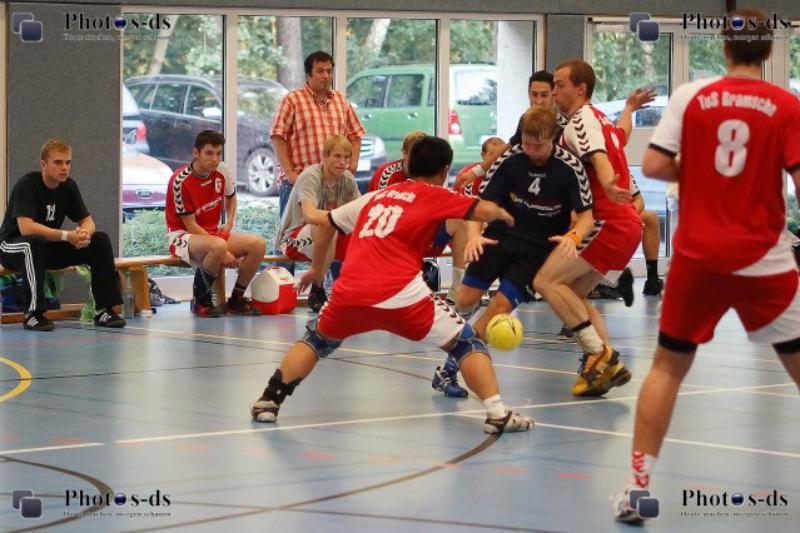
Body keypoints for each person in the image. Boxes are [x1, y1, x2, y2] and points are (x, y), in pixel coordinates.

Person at [614, 8, 800, 523]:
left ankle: (638, 488)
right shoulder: (787, 105)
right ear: (769, 50)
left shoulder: (691, 97)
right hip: (763, 259)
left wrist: (699, 169)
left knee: (667, 369)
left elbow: (654, 163)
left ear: (724, 47)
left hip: (697, 257)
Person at [249, 136, 533, 434]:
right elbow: (483, 211)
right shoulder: (435, 194)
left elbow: (327, 224)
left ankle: (269, 400)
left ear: (409, 164)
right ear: (444, 171)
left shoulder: (375, 197)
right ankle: (497, 414)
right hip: (402, 294)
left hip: (350, 292)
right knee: (466, 343)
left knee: (316, 340)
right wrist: (509, 215)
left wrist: (317, 270)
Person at [531, 60, 650, 397]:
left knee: (545, 281)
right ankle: (602, 364)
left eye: (560, 85)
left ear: (580, 89)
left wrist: (608, 183)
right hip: (625, 224)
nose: (554, 92)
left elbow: (598, 156)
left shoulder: (579, 121)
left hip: (607, 221)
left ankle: (601, 355)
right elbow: (621, 135)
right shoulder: (601, 119)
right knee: (573, 294)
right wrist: (629, 108)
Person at [451, 107, 593, 351]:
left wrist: (573, 236)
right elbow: (480, 205)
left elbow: (587, 218)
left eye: (537, 146)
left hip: (537, 249)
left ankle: (455, 361)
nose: (530, 150)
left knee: (498, 309)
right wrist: (474, 235)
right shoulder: (509, 159)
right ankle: (458, 333)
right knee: (464, 299)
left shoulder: (570, 166)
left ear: (552, 138)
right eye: (526, 143)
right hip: (499, 237)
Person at [0, 139, 126, 331]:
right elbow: (26, 228)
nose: (64, 167)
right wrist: (67, 236)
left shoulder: (68, 186)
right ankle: (33, 314)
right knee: (32, 243)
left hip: (45, 249)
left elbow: (88, 221)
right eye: (58, 162)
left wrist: (84, 234)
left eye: (68, 162)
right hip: (12, 247)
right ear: (44, 164)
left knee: (99, 240)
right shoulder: (27, 185)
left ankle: (104, 310)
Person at [165, 130, 267, 317]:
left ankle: (235, 301)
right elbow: (191, 226)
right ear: (196, 153)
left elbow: (231, 197)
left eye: (219, 154)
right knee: (218, 246)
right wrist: (224, 250)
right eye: (209, 153)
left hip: (212, 235)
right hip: (182, 237)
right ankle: (201, 302)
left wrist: (228, 223)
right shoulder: (180, 181)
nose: (215, 159)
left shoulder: (222, 170)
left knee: (258, 244)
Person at [271, 51, 365, 218]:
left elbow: (355, 135)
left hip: (334, 184)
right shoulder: (292, 100)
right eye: (320, 71)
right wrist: (289, 173)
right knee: (294, 233)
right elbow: (278, 137)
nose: (326, 76)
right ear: (308, 75)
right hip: (299, 182)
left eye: (329, 71)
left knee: (331, 231)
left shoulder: (341, 101)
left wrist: (352, 165)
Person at [276, 135, 361, 311]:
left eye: (346, 157)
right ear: (325, 156)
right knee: (329, 225)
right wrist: (340, 218)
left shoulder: (347, 178)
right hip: (293, 238)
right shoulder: (310, 176)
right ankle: (318, 286)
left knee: (363, 238)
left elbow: (360, 212)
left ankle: (359, 292)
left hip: (328, 236)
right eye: (337, 156)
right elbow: (310, 215)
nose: (343, 162)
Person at [631, 180, 664, 296]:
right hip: (594, 213)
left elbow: (639, 201)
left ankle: (652, 281)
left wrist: (627, 215)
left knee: (651, 217)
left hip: (620, 213)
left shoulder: (624, 171)